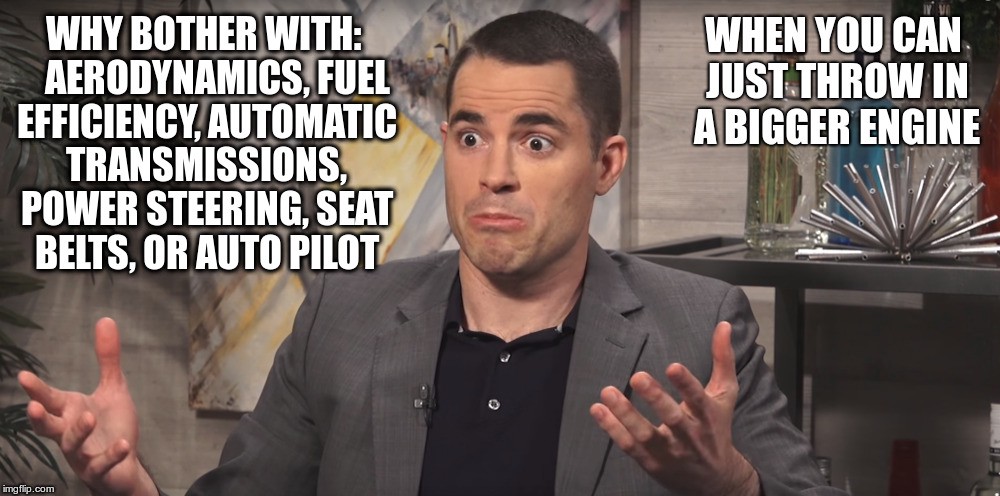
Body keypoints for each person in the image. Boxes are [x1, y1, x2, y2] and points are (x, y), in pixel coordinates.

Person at [18, 10, 846, 496]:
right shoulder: (341, 317)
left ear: (605, 164)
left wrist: (733, 485)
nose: (494, 174)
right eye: (471, 136)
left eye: (537, 141)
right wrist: (128, 483)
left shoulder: (696, 327)